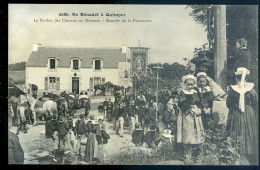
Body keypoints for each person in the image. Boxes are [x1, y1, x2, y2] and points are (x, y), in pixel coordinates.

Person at [226, 67, 258, 165]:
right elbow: (256, 101)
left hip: (236, 113)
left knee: (238, 130)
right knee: (248, 131)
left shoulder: (233, 90)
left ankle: (238, 153)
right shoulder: (252, 90)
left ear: (236, 78)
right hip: (249, 113)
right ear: (247, 78)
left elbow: (228, 104)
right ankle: (248, 152)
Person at [177, 75, 204, 161]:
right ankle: (186, 153)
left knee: (196, 130)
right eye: (188, 85)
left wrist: (198, 108)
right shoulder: (182, 92)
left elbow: (199, 102)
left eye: (191, 85)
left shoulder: (195, 92)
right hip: (186, 114)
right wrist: (189, 110)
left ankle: (194, 151)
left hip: (195, 114)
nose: (190, 86)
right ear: (185, 84)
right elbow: (181, 103)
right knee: (186, 130)